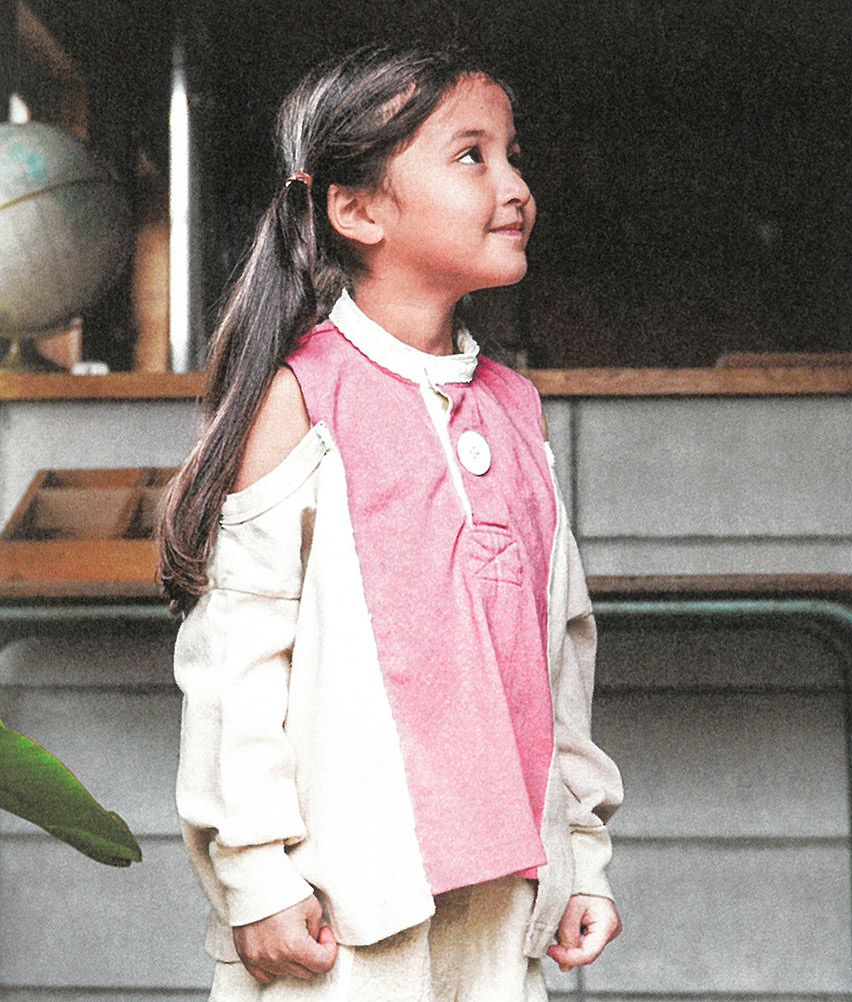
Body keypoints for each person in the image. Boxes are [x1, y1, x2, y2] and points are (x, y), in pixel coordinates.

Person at [160, 43, 623, 1002]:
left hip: (504, 902)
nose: (515, 185)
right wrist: (256, 879)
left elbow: (561, 658)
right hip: (343, 918)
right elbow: (237, 665)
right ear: (359, 210)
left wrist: (581, 854)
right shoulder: (302, 398)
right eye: (472, 156)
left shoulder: (517, 412)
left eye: (512, 154)